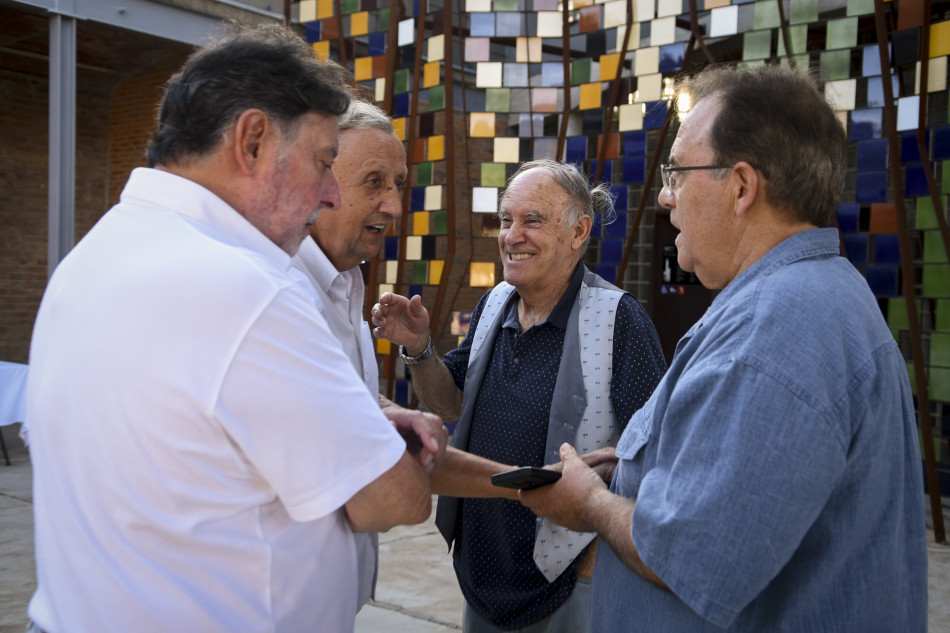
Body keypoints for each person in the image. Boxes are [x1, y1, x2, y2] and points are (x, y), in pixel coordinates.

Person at [25, 24, 445, 633]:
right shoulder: (250, 289)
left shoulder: (92, 256)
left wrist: (358, 424)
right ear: (252, 140)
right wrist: (389, 446)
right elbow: (393, 499)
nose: (329, 192)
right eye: (324, 161)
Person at [519, 63, 929, 632]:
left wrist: (588, 502)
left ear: (741, 187)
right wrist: (642, 469)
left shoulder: (780, 323)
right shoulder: (808, 297)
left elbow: (693, 555)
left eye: (678, 173)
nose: (665, 196)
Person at [371, 158, 667, 632]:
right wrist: (418, 347)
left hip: (569, 581)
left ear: (578, 231)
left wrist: (593, 559)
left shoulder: (620, 321)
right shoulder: (493, 304)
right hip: (482, 573)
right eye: (507, 220)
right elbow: (450, 405)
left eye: (532, 220)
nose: (512, 235)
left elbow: (656, 458)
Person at [290, 98, 444, 608]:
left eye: (398, 184)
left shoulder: (349, 287)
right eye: (374, 182)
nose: (395, 205)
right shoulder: (281, 299)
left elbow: (346, 413)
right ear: (317, 182)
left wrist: (388, 413)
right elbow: (380, 493)